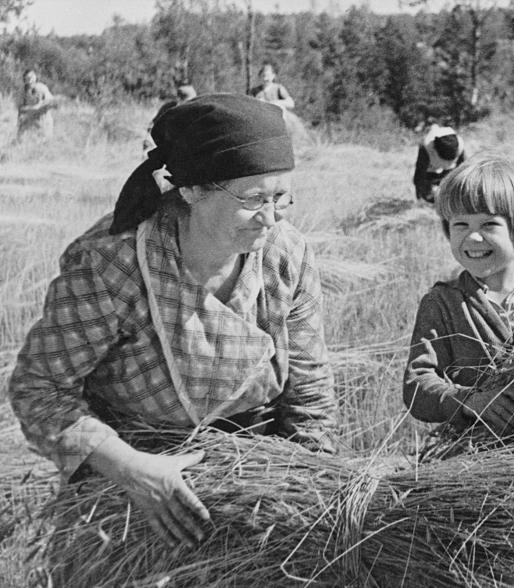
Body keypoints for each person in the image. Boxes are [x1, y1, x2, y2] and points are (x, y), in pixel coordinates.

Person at [9, 94, 337, 550]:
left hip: (257, 468)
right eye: (252, 199)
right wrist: (131, 469)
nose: (269, 218)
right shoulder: (114, 262)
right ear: (192, 190)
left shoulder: (286, 253)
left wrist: (310, 489)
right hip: (133, 480)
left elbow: (309, 390)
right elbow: (39, 390)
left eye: (280, 197)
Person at [403, 156, 514, 436]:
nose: (473, 238)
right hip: (476, 456)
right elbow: (417, 385)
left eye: (488, 225)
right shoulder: (443, 303)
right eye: (460, 225)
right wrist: (468, 401)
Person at [412, 123, 466, 203]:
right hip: (430, 170)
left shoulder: (459, 146)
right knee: (428, 196)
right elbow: (419, 175)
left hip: (450, 170)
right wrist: (419, 197)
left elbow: (464, 171)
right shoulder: (426, 148)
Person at [142, 83, 197, 154]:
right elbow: (153, 125)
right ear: (179, 99)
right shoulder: (168, 108)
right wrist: (147, 142)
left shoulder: (195, 110)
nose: (193, 103)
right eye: (189, 101)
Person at [17, 68, 55, 140]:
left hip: (43, 121)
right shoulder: (22, 91)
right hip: (30, 122)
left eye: (31, 77)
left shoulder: (42, 88)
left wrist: (39, 106)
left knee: (45, 144)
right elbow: (20, 108)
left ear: (35, 77)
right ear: (24, 79)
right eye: (27, 78)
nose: (29, 80)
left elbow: (51, 101)